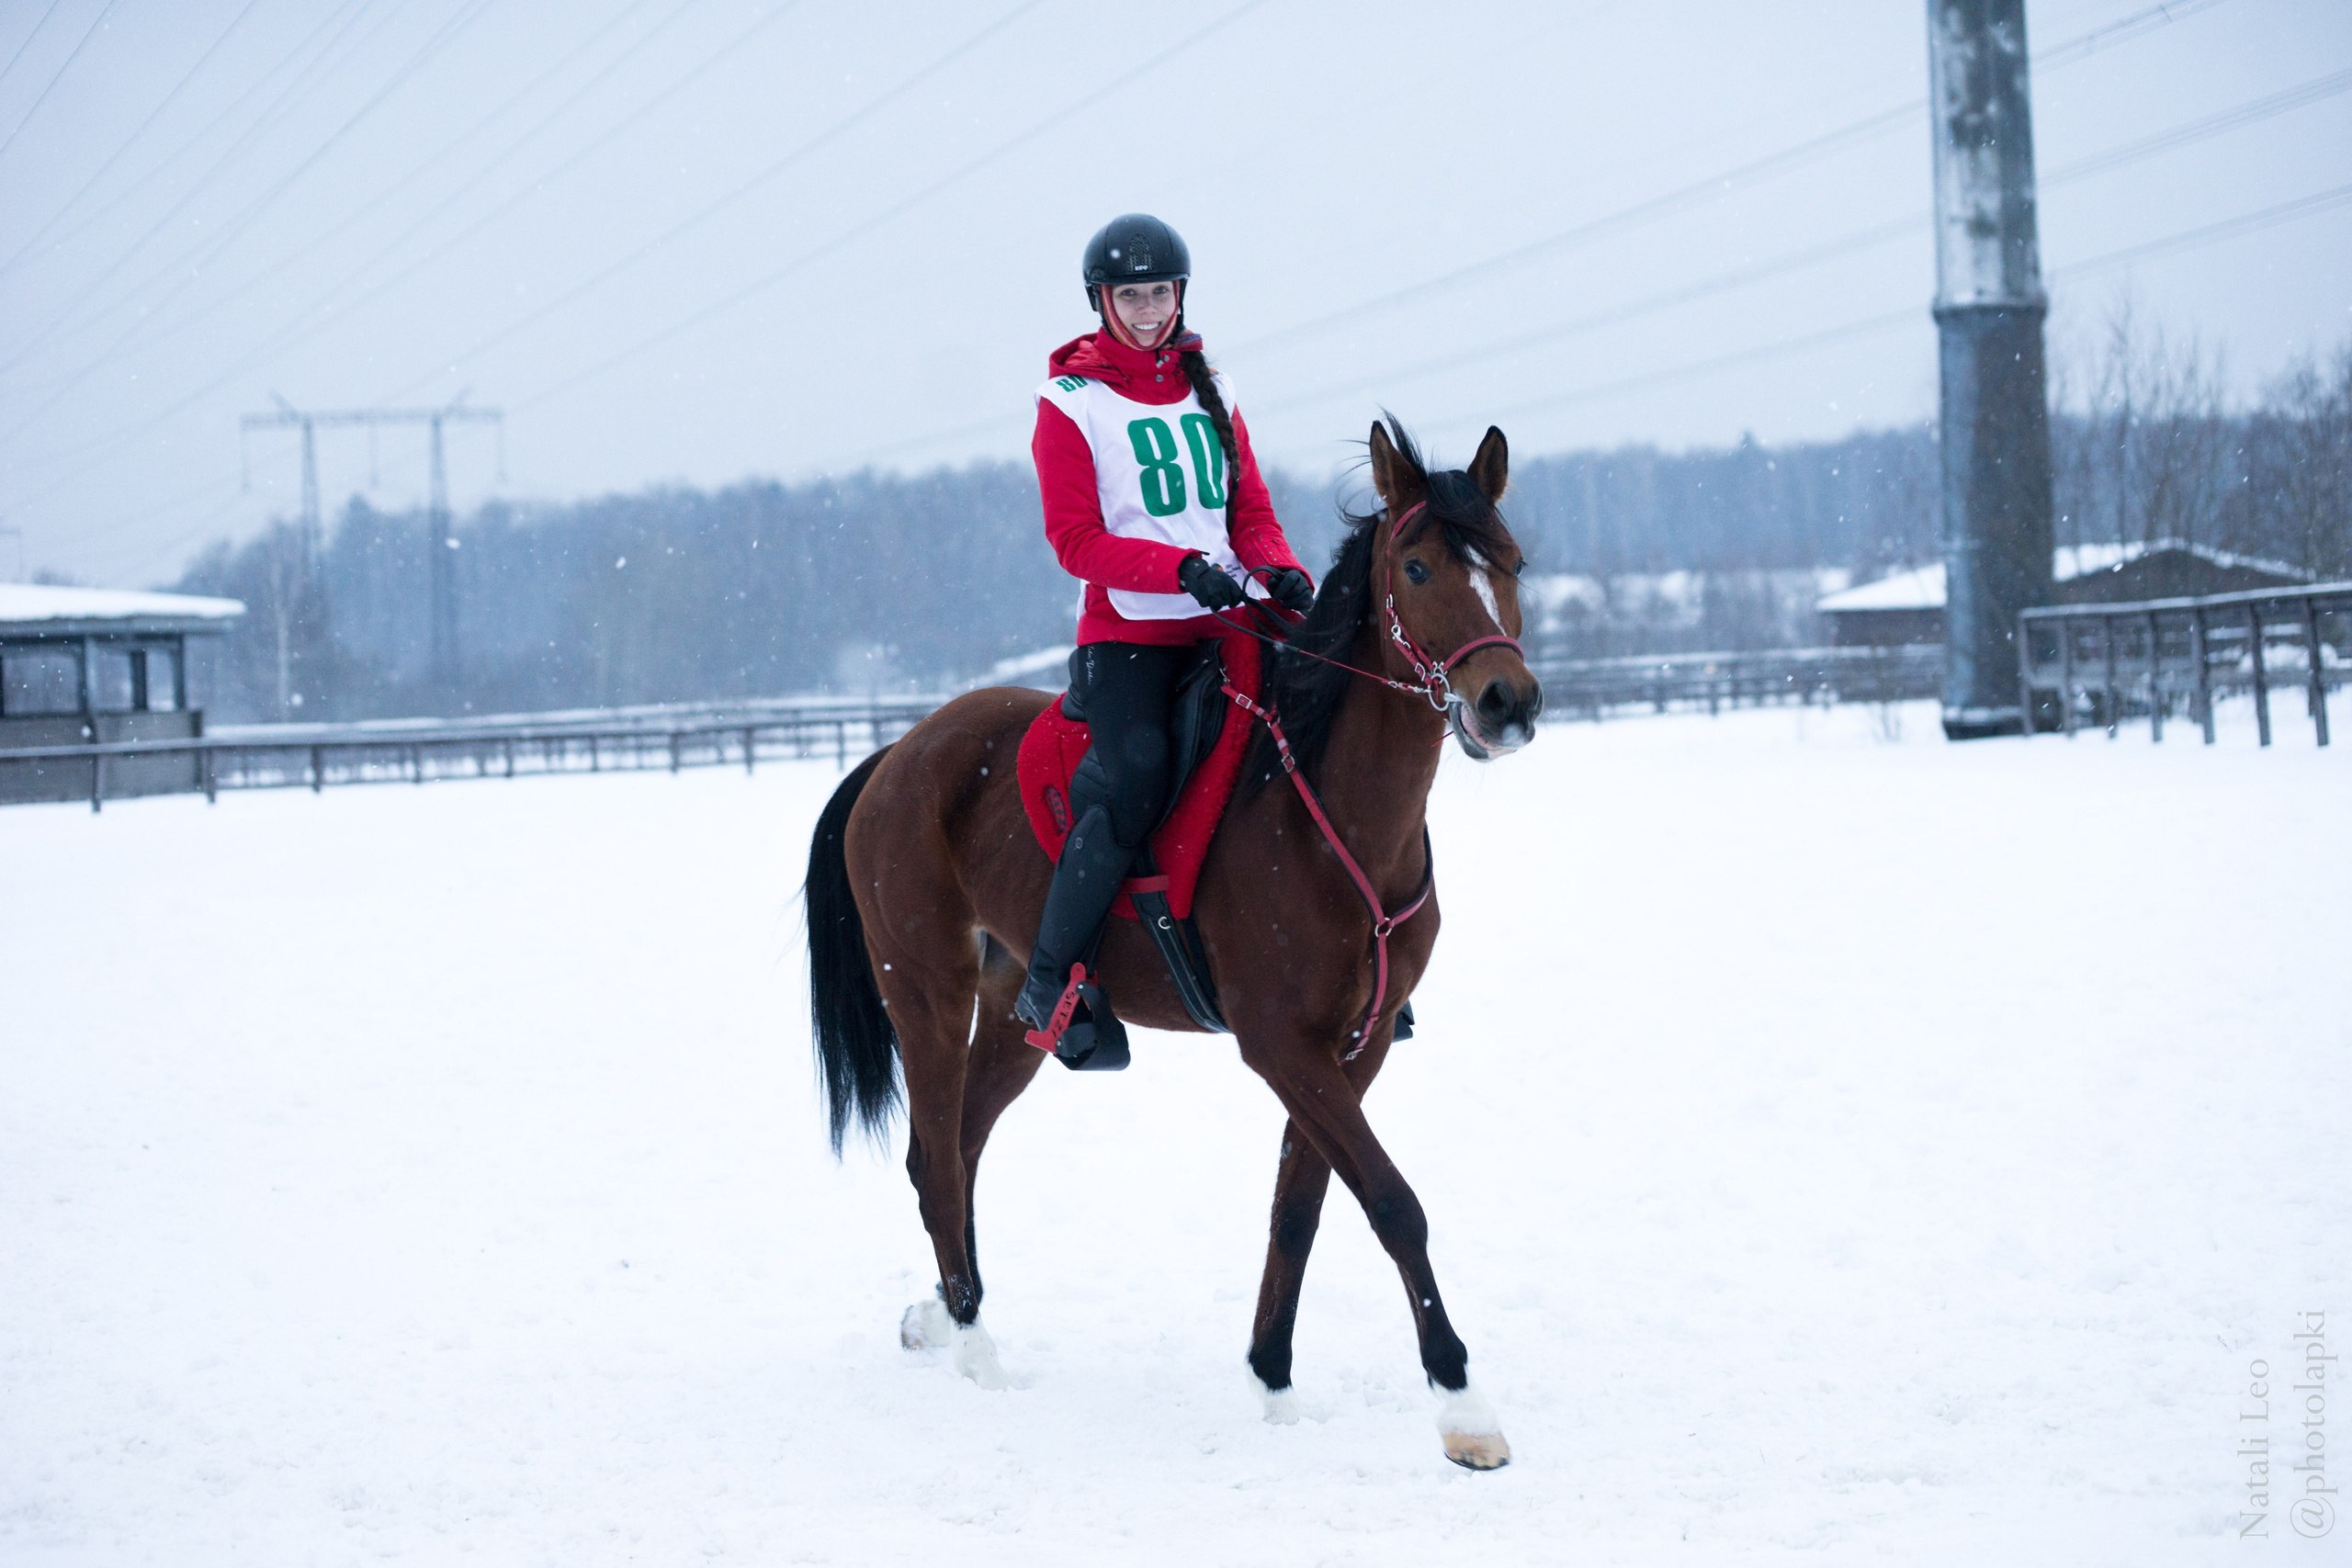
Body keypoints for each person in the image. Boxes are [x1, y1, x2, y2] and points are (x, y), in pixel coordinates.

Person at [1017, 213, 1315, 1058]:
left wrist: (1279, 568)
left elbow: (1249, 512)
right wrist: (1179, 570)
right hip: (1132, 638)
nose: (1148, 311)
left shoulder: (1208, 383)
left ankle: (1359, 959)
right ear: (1100, 301)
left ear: (1179, 295)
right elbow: (1075, 540)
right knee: (1137, 777)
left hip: (1232, 616)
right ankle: (1052, 985)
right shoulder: (1069, 403)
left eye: (1160, 293)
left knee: (1328, 735)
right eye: (1131, 295)